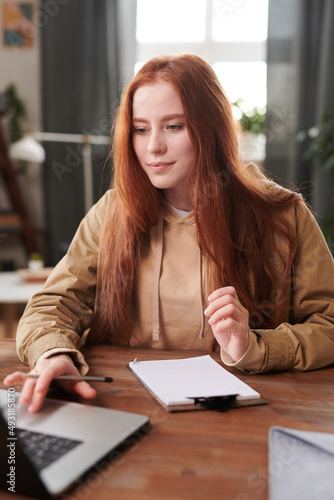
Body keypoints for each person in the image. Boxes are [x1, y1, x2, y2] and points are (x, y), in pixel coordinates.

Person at [4, 54, 334, 412]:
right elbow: (51, 306)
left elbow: (330, 322)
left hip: (244, 413)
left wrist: (255, 346)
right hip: (123, 402)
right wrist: (53, 354)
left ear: (211, 128)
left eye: (174, 126)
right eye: (141, 129)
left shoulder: (283, 215)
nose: (153, 147)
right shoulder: (113, 211)